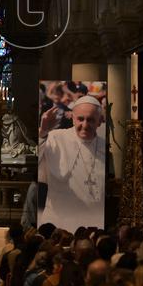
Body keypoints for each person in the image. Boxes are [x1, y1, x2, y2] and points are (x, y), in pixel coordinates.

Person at [37, 95, 106, 231]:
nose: (85, 125)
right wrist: (43, 132)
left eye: (91, 120)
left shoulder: (104, 146)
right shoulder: (55, 137)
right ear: (73, 118)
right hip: (58, 223)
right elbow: (36, 159)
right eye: (80, 119)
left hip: (92, 223)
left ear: (99, 121)